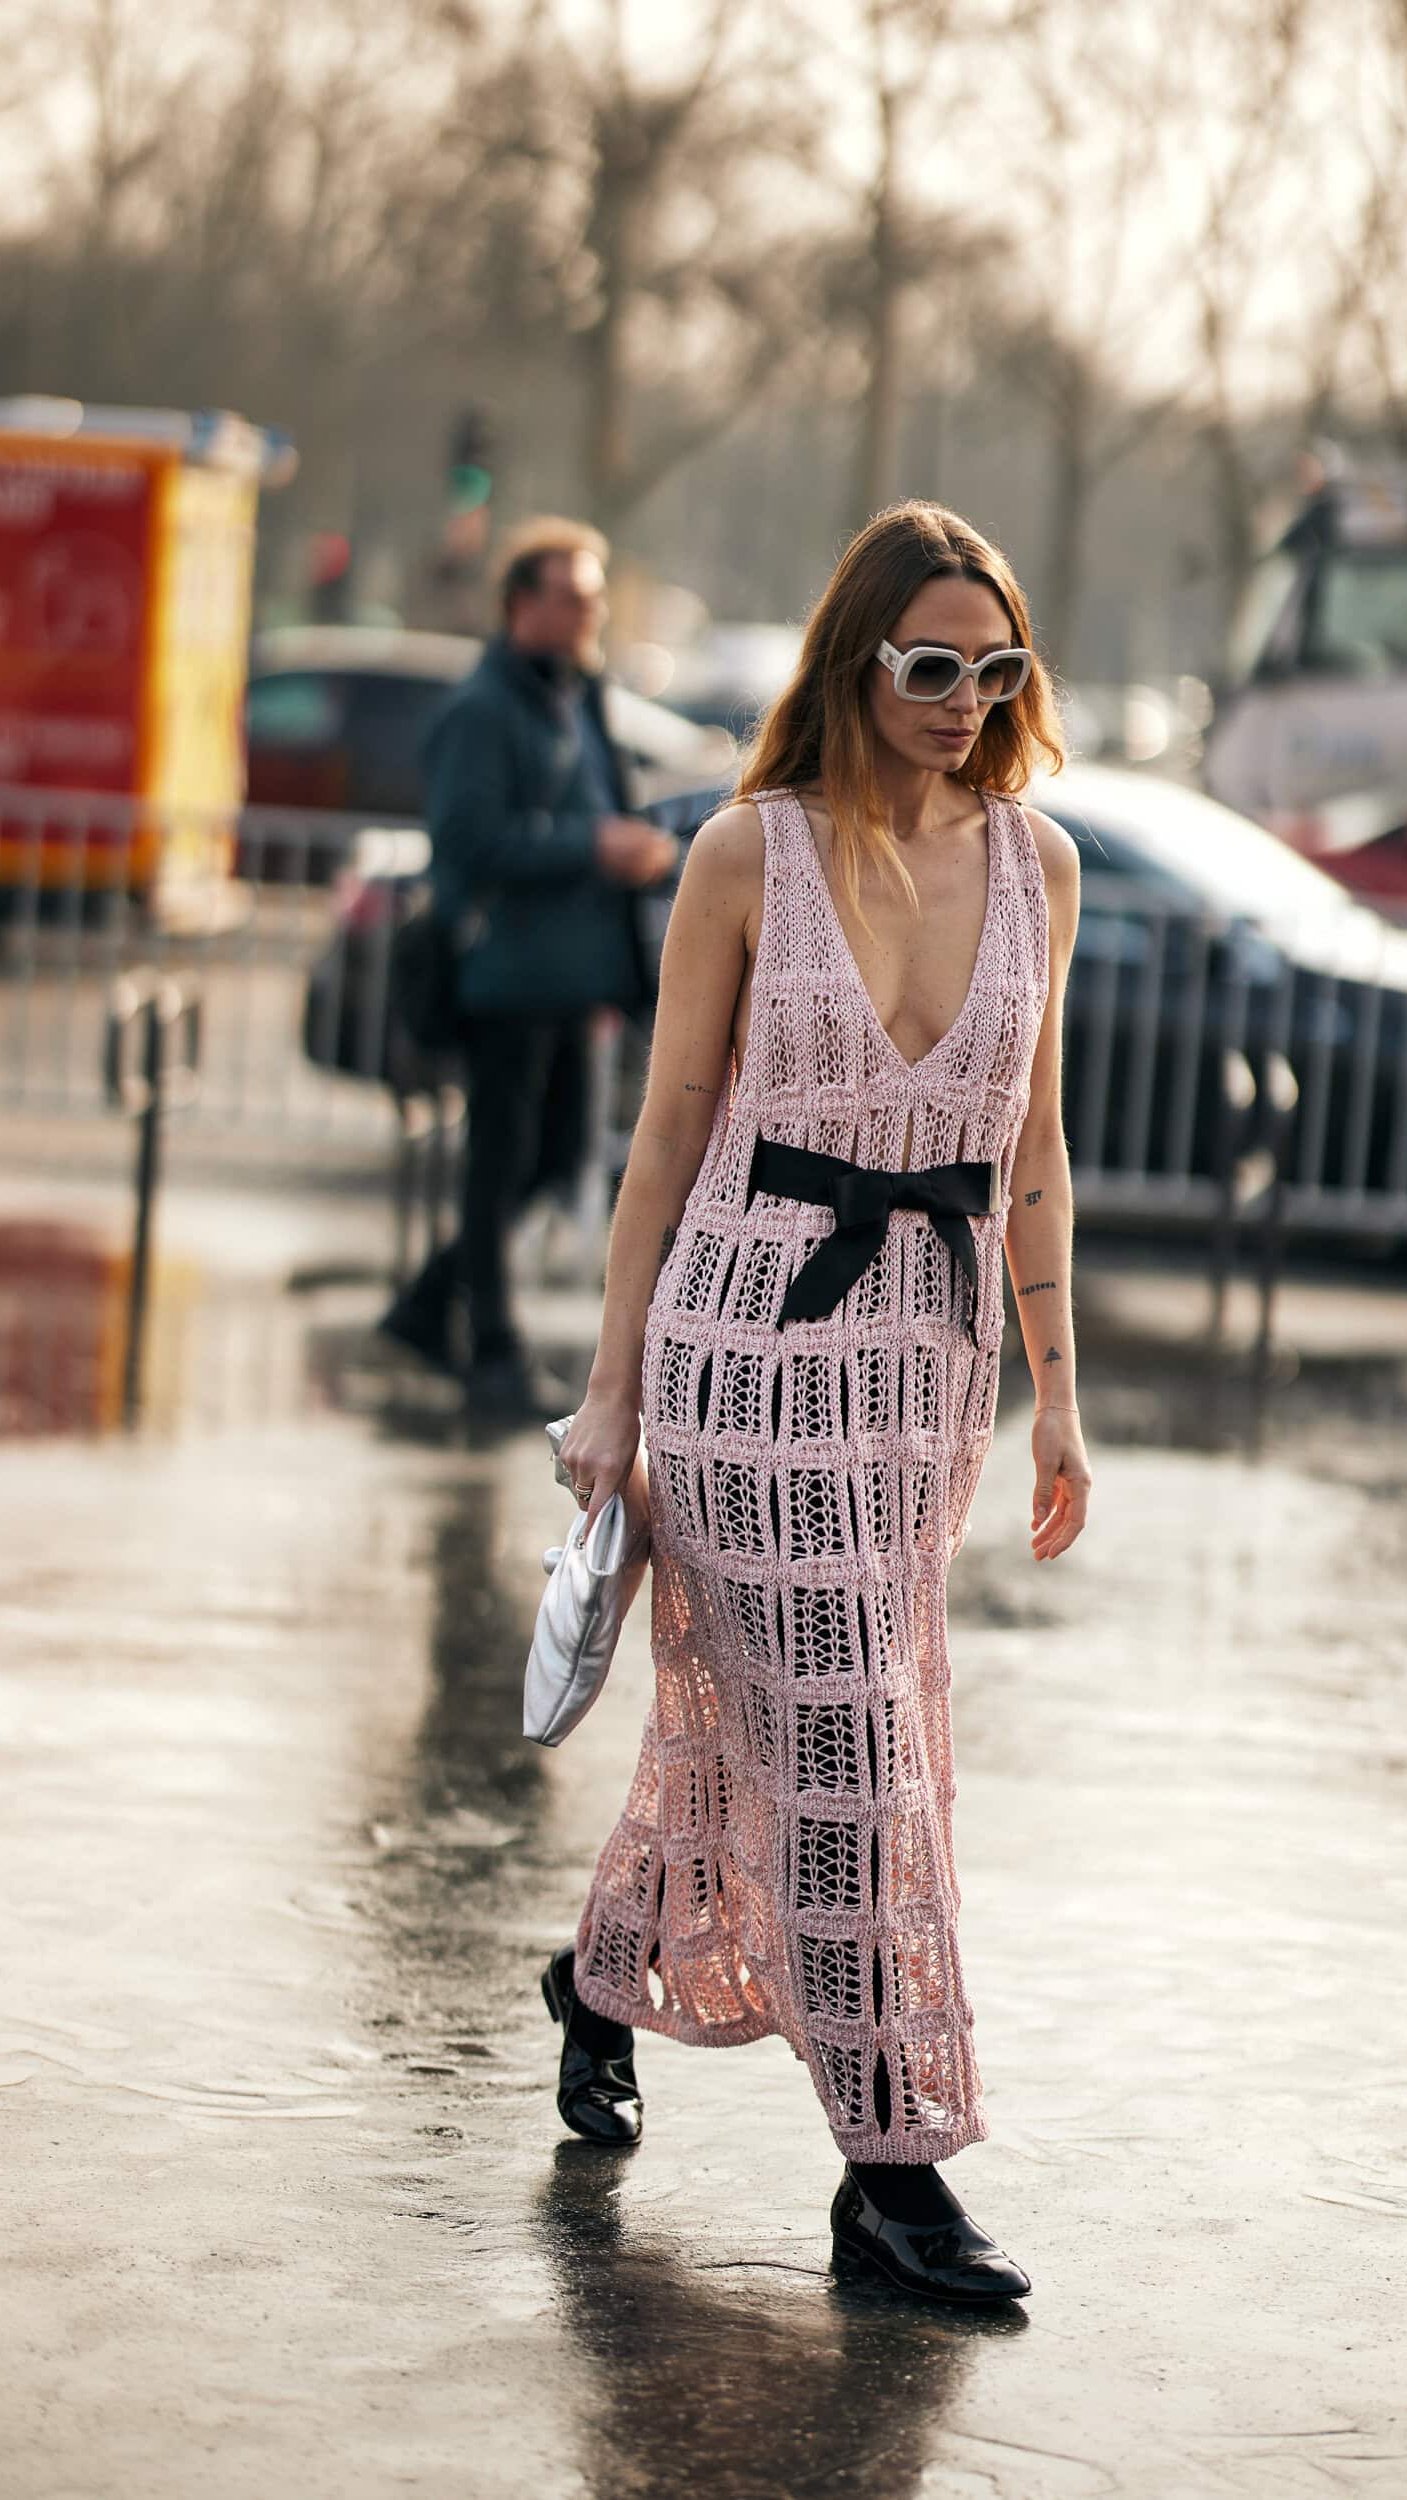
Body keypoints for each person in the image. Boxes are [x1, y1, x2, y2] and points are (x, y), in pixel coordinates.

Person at [546, 501, 1092, 2305]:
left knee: (769, 1741)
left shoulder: (1041, 867)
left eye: (993, 668)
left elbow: (1034, 1157)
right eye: (930, 665)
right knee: (857, 1749)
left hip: (925, 1369)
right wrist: (610, 1400)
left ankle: (600, 1969)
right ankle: (893, 2173)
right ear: (859, 662)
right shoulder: (743, 854)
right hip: (746, 1346)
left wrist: (1061, 1407)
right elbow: (665, 1139)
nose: (962, 699)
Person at [380, 520, 678, 1417]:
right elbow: (468, 842)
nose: (591, 612)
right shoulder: (482, 709)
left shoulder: (578, 694)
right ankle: (492, 1350)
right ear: (523, 605)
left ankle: (432, 1307)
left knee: (553, 1159)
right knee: (499, 1161)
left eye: (594, 597)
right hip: (506, 979)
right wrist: (594, 846)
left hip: (572, 980)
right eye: (574, 597)